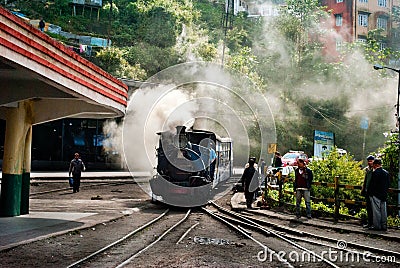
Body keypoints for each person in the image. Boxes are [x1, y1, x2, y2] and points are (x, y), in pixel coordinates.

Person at [367, 158, 390, 231]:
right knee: (384, 211)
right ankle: (384, 225)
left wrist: (370, 193)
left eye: (373, 164)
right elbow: (388, 184)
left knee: (376, 211)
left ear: (375, 165)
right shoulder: (386, 173)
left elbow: (372, 184)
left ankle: (377, 226)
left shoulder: (375, 173)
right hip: (384, 194)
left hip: (376, 194)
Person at [361, 155, 375, 228]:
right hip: (367, 191)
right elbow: (365, 180)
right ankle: (369, 223)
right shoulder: (367, 170)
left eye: (371, 161)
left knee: (374, 209)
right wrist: (363, 189)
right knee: (368, 208)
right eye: (369, 161)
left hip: (373, 192)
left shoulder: (375, 170)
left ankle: (374, 223)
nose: (370, 162)